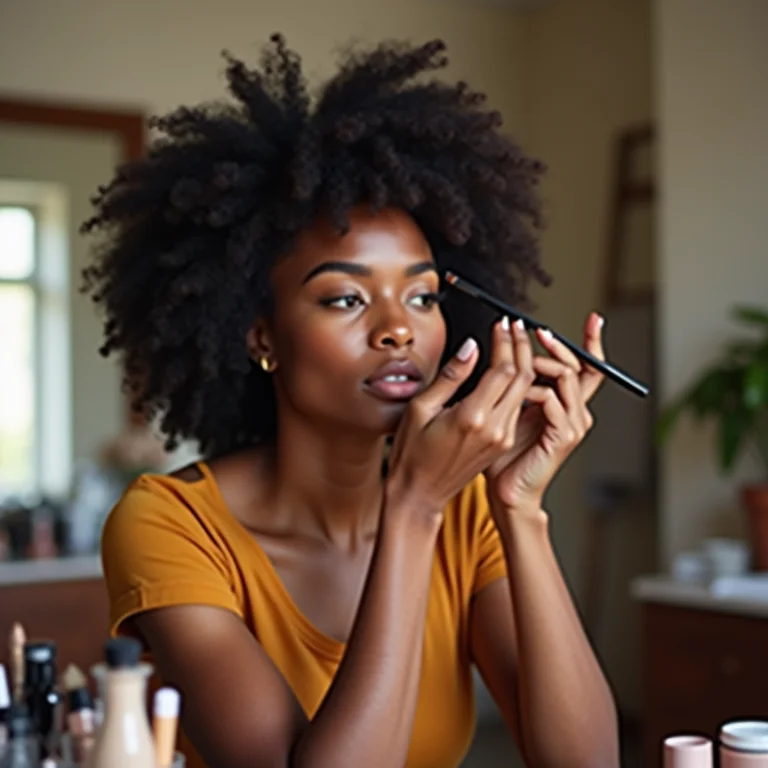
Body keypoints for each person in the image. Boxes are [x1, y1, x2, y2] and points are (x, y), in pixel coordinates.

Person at [82, 35, 619, 768]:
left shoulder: (469, 512)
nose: (399, 327)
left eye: (423, 295)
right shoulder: (170, 528)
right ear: (260, 334)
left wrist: (520, 511)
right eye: (345, 297)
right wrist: (413, 508)